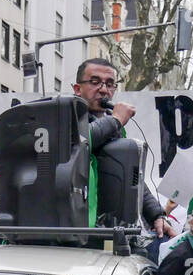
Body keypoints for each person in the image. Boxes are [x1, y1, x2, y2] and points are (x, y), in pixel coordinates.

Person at [72, 58, 172, 237]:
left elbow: (132, 177)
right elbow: (80, 142)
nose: (103, 89)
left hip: (110, 230)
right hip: (77, 231)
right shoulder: (66, 118)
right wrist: (115, 120)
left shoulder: (113, 126)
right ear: (77, 89)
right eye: (95, 82)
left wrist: (156, 214)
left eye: (110, 84)